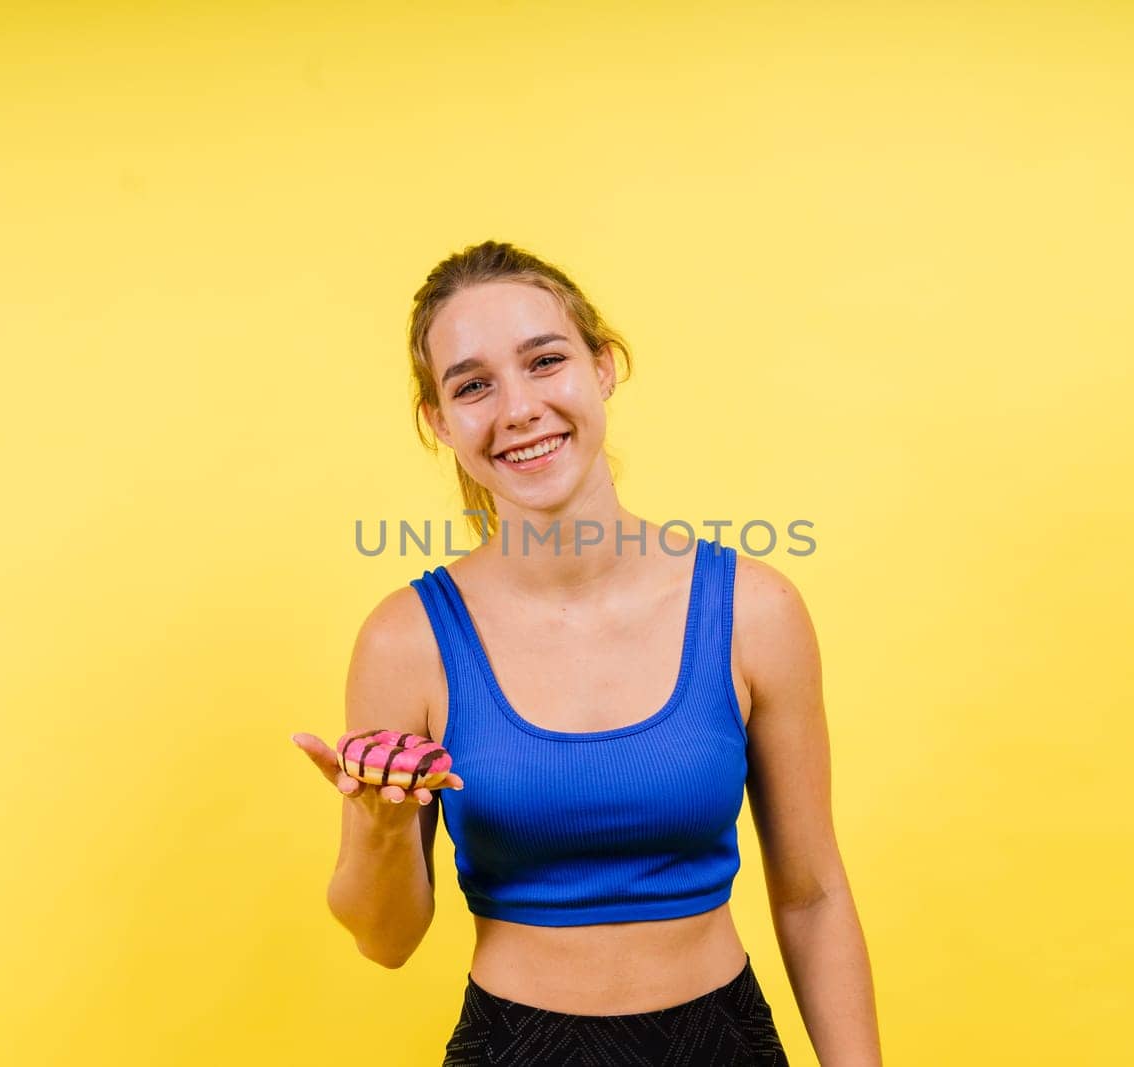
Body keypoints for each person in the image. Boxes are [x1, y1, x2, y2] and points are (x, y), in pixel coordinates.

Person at [292, 240, 882, 1066]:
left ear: (604, 366)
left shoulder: (755, 610)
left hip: (725, 1044)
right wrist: (380, 827)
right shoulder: (406, 640)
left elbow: (815, 896)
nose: (519, 407)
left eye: (546, 360)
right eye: (472, 385)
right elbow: (385, 942)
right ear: (439, 421)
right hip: (513, 1047)